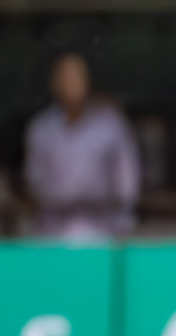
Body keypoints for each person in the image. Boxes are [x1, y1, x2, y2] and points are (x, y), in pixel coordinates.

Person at [24, 52, 140, 240]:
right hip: (52, 230)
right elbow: (35, 179)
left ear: (87, 82)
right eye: (65, 79)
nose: (70, 85)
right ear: (54, 84)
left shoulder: (109, 124)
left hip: (100, 230)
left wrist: (123, 223)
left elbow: (126, 179)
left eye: (75, 78)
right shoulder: (41, 127)